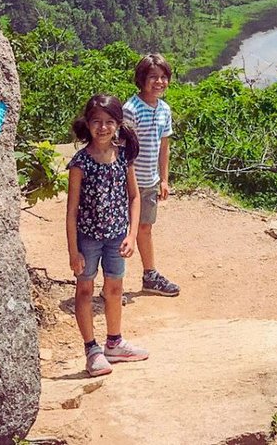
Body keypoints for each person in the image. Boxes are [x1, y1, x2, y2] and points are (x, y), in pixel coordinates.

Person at [66, 94, 150, 376]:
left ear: (118, 124)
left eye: (109, 122)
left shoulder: (123, 156)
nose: (102, 128)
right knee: (85, 289)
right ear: (87, 124)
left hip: (116, 237)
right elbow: (72, 211)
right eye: (97, 122)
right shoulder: (80, 163)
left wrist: (130, 234)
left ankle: (114, 343)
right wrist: (72, 251)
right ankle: (91, 349)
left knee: (115, 289)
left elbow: (134, 196)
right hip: (87, 238)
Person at [124, 53, 181, 296]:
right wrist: (129, 181)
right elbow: (123, 149)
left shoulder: (164, 109)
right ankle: (112, 284)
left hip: (150, 181)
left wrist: (164, 179)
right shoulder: (131, 109)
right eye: (153, 77)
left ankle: (150, 275)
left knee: (145, 228)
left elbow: (163, 145)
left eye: (163, 77)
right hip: (128, 183)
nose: (159, 82)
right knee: (120, 231)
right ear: (141, 79)